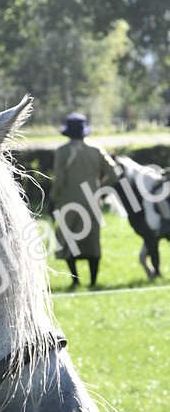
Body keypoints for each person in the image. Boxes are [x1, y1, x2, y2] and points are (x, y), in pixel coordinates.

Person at [52, 112, 118, 288]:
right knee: (92, 241)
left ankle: (75, 281)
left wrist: (52, 199)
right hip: (92, 201)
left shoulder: (62, 151)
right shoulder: (96, 149)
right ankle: (93, 281)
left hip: (68, 202)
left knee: (68, 240)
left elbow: (59, 180)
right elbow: (113, 173)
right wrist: (100, 188)